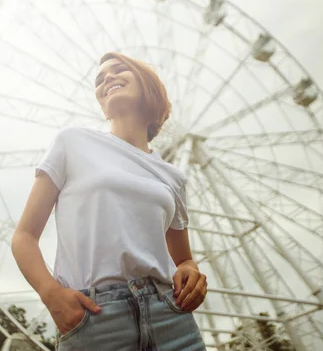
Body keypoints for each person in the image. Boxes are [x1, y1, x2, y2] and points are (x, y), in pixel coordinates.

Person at [11, 51, 207, 350]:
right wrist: (50, 293)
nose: (107, 78)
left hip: (171, 318)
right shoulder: (72, 142)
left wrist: (191, 274)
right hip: (96, 316)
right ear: (101, 103)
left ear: (147, 86)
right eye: (100, 79)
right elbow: (23, 237)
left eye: (118, 70)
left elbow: (183, 259)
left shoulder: (173, 177)